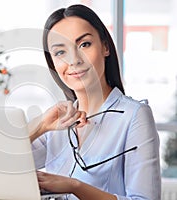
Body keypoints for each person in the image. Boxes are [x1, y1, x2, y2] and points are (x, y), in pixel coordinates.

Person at [29, 4, 161, 200]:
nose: (74, 60)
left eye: (84, 45)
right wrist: (40, 126)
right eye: (60, 52)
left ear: (105, 47)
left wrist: (75, 186)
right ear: (53, 64)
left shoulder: (134, 115)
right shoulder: (57, 122)